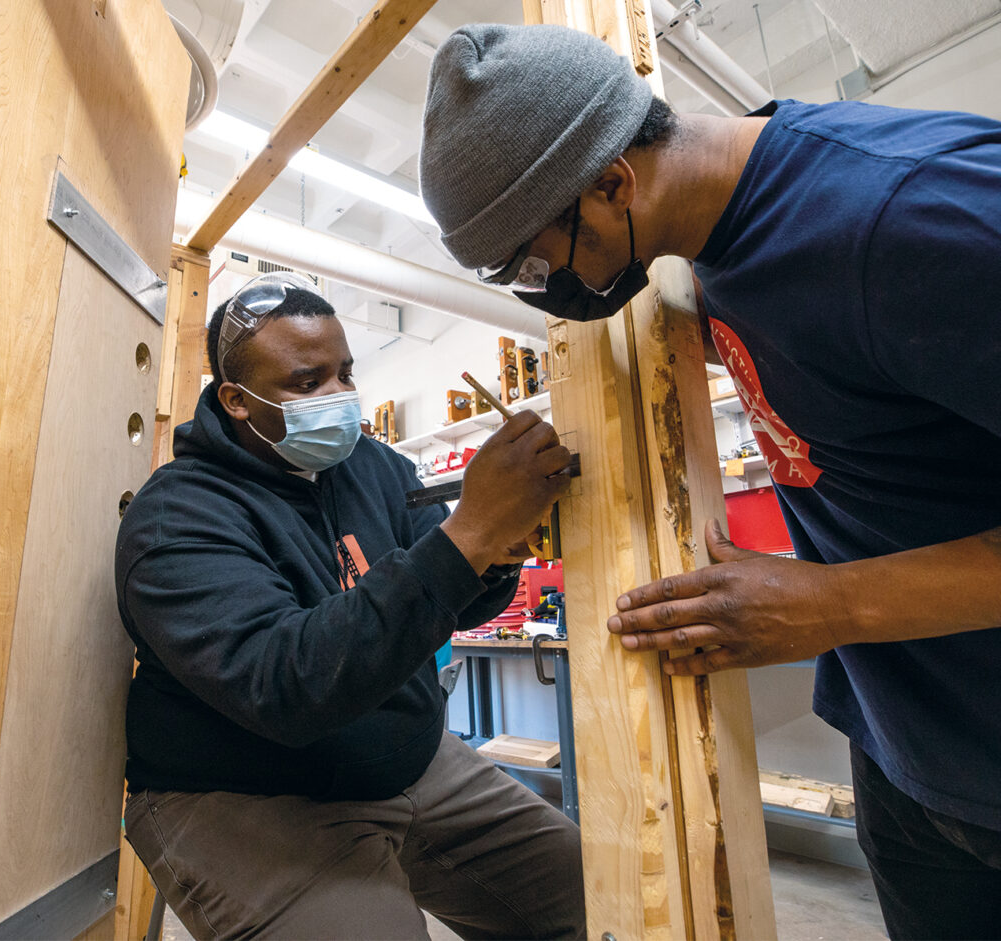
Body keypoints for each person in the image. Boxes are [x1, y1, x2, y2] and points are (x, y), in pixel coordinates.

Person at [418, 23, 1001, 940]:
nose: (542, 293)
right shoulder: (713, 240)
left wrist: (833, 606)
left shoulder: (907, 218)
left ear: (613, 182)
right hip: (910, 747)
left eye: (534, 265)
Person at [115, 272, 585, 940]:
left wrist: (498, 547)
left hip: (407, 757)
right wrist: (468, 534)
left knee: (602, 901)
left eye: (345, 374)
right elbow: (287, 685)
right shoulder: (177, 515)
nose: (339, 399)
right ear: (235, 399)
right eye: (308, 383)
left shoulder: (376, 466)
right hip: (246, 792)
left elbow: (457, 596)